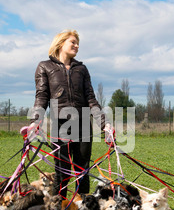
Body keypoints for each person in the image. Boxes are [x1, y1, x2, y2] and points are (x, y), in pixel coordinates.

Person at [27, 29, 113, 197]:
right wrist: (34, 122)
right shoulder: (45, 66)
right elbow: (42, 97)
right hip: (61, 125)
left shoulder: (82, 69)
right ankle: (60, 209)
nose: (77, 45)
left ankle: (82, 209)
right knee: (62, 172)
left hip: (83, 125)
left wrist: (105, 124)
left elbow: (91, 99)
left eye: (77, 43)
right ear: (60, 43)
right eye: (73, 42)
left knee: (83, 170)